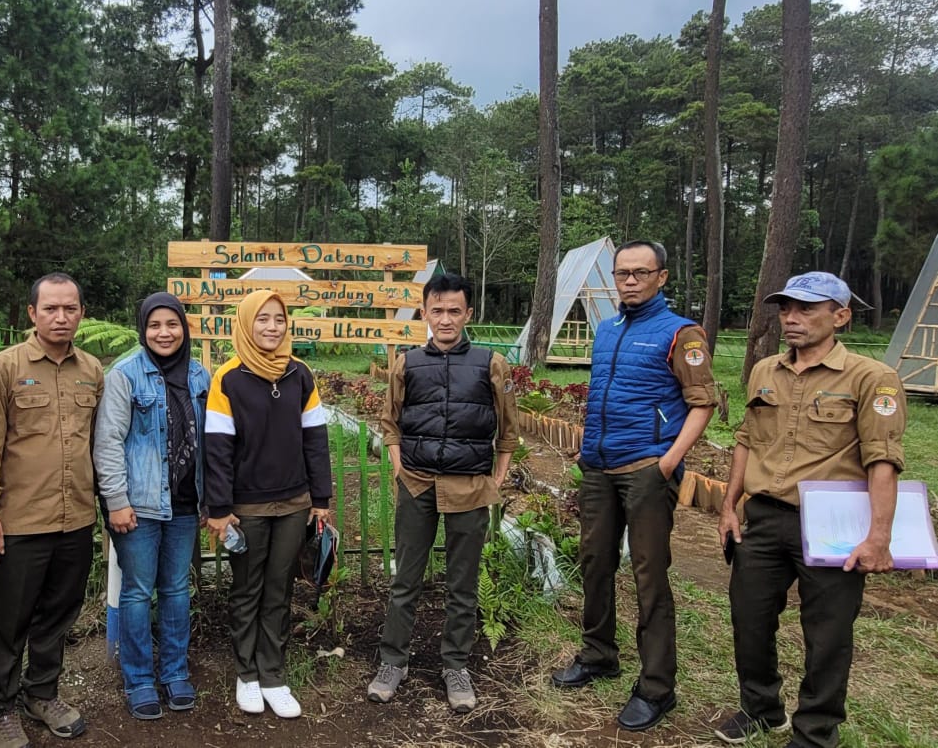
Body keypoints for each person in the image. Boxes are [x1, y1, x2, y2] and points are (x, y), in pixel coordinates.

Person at [713, 272, 905, 748]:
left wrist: (878, 537)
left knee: (828, 634)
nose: (791, 319)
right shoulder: (765, 371)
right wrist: (729, 505)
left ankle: (816, 731)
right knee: (749, 619)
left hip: (831, 525)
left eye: (806, 309)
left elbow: (883, 459)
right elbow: (745, 439)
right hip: (763, 517)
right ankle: (761, 709)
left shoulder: (871, 378)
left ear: (840, 316)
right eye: (785, 309)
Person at [551, 240, 716, 732]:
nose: (629, 281)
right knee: (595, 562)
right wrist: (588, 449)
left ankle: (656, 687)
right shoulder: (607, 328)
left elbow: (703, 402)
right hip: (599, 469)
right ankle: (599, 653)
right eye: (622, 273)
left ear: (661, 278)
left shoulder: (680, 333)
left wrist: (667, 464)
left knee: (649, 577)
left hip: (646, 469)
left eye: (640, 273)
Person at [366, 273, 520, 713]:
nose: (446, 319)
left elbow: (509, 430)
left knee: (462, 584)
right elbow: (390, 421)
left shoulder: (492, 363)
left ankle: (455, 665)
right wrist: (399, 467)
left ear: (469, 314)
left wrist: (496, 478)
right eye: (438, 310)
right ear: (425, 313)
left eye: (455, 311)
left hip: (470, 487)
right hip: (417, 484)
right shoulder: (408, 363)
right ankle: (392, 661)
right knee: (405, 580)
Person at [0, 273, 103, 747]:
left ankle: (42, 693)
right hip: (20, 520)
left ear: (80, 313)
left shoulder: (92, 369)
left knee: (59, 613)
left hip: (77, 518)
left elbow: (98, 445)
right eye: (51, 308)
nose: (61, 316)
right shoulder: (3, 368)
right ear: (32, 313)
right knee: (12, 618)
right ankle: (0, 706)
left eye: (70, 308)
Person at [204, 289, 332, 720]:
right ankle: (247, 674)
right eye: (262, 319)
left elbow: (316, 441)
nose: (272, 327)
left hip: (294, 504)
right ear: (245, 323)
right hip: (247, 509)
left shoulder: (300, 375)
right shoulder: (228, 379)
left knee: (280, 591)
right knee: (247, 591)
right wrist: (219, 510)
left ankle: (273, 675)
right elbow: (217, 450)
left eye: (279, 319)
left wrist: (321, 499)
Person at [93, 292, 209, 720]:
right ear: (143, 329)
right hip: (138, 507)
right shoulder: (125, 376)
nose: (164, 333)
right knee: (139, 591)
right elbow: (107, 443)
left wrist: (210, 498)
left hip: (184, 505)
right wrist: (117, 502)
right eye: (155, 325)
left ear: (184, 328)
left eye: (172, 324)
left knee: (177, 589)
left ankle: (175, 672)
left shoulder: (199, 376)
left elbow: (209, 443)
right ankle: (139, 678)